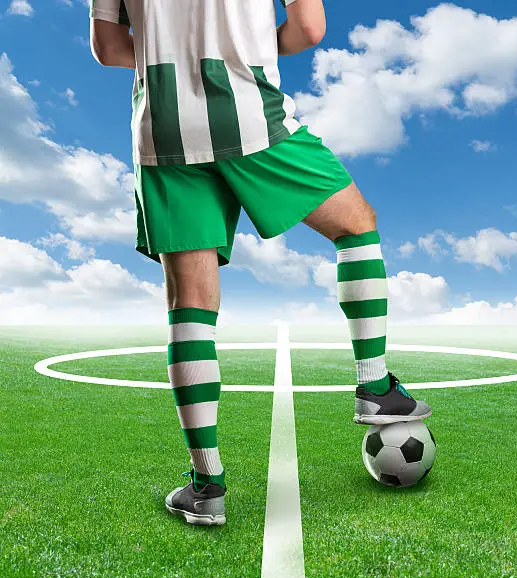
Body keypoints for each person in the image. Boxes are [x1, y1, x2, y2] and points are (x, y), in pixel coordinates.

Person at [89, 0, 431, 527]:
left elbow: (108, 48)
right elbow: (308, 29)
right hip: (250, 114)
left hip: (163, 129)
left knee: (190, 305)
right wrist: (238, 48)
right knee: (355, 225)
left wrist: (173, 56)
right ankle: (376, 387)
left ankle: (207, 487)